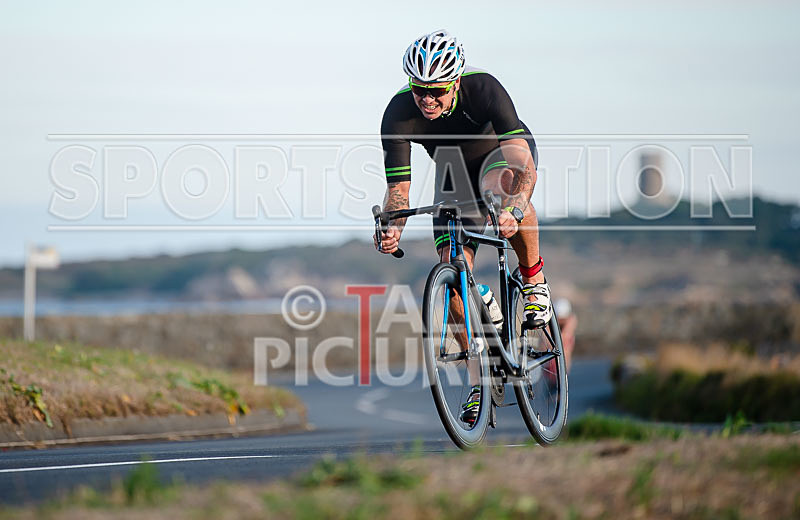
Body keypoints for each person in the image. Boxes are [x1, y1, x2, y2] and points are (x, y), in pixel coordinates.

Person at [374, 30, 552, 424]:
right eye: (420, 89)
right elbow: (399, 191)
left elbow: (525, 167)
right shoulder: (398, 113)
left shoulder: (484, 89)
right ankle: (479, 382)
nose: (428, 99)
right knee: (452, 269)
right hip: (453, 173)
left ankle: (534, 282)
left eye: (437, 90)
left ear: (454, 83)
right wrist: (393, 228)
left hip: (501, 157)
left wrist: (516, 209)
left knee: (501, 186)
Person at [555, 298, 577, 373]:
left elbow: (566, 336)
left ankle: (564, 371)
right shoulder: (570, 319)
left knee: (566, 344)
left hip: (564, 365)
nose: (561, 321)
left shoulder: (571, 320)